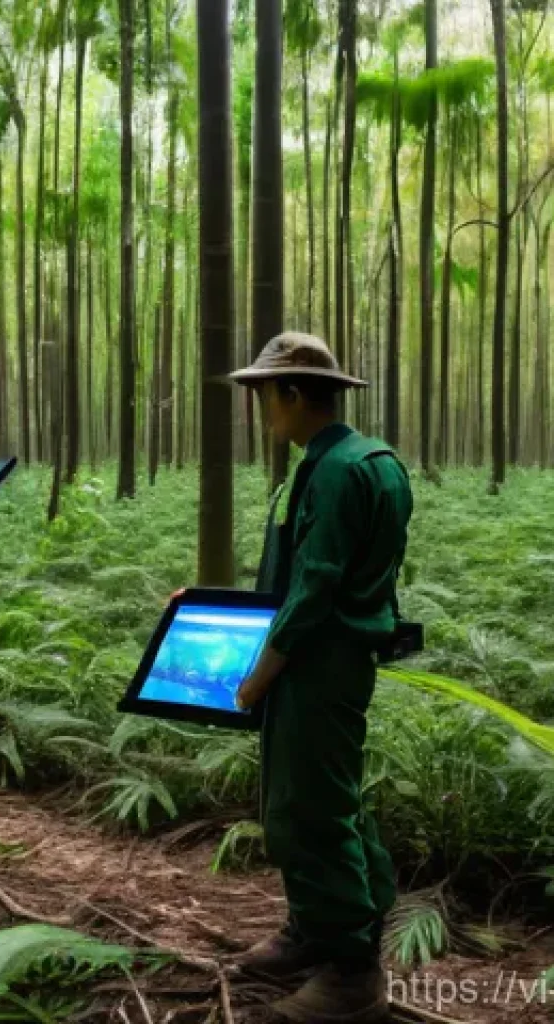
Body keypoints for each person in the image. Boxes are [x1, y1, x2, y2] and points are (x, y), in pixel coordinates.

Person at [229, 333, 413, 1023]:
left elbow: (316, 588)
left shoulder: (335, 472)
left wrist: (260, 675)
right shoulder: (365, 461)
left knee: (306, 811)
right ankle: (321, 927)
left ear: (294, 394)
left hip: (315, 663)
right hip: (335, 660)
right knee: (328, 797)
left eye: (265, 396)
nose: (262, 410)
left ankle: (349, 972)